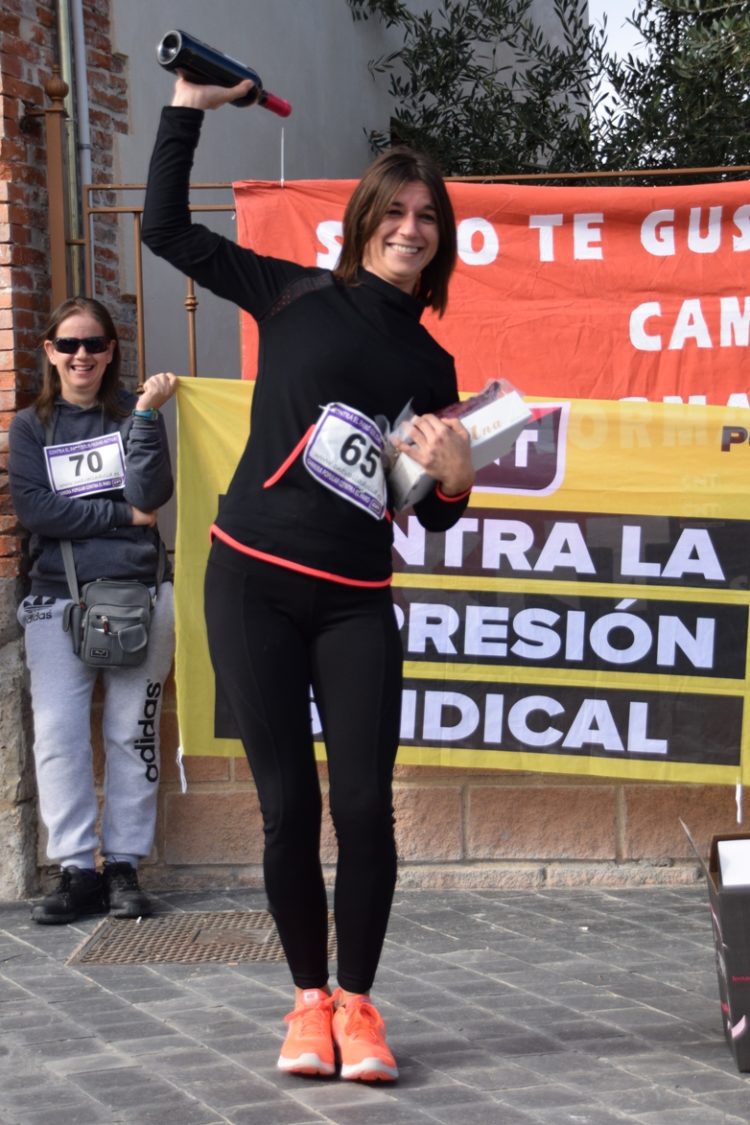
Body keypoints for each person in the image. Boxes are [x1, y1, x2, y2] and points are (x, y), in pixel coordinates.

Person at [141, 74, 474, 1084]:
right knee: (288, 807)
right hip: (252, 583)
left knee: (366, 809)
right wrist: (186, 107)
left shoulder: (433, 366)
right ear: (364, 220)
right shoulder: (291, 293)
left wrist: (457, 480)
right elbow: (164, 229)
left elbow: (426, 510)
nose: (409, 228)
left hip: (356, 601)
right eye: (395, 211)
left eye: (426, 217)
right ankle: (306, 1003)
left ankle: (359, 1006)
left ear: (440, 239)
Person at [8, 296, 178, 925]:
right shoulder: (30, 427)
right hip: (57, 599)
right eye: (69, 344)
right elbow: (37, 511)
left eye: (95, 344)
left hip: (139, 597)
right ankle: (76, 869)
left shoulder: (135, 415)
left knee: (133, 734)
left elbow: (152, 493)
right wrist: (122, 517)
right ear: (50, 352)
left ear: (111, 352)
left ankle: (124, 866)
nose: (82, 355)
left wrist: (146, 416)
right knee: (58, 736)